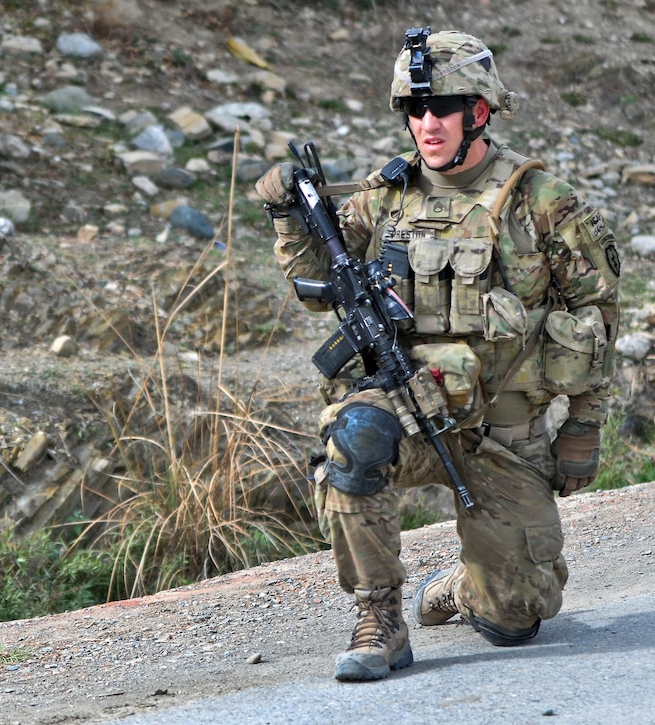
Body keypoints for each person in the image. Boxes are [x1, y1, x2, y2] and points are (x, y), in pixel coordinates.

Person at [255, 28, 620, 682]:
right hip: (410, 406)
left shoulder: (539, 202)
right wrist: (288, 213)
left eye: (443, 107)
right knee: (353, 437)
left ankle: (465, 583)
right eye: (413, 110)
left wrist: (583, 428)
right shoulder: (389, 197)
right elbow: (318, 288)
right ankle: (379, 617)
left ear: (479, 111)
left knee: (514, 616)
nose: (426, 123)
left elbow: (595, 314)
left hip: (503, 433)